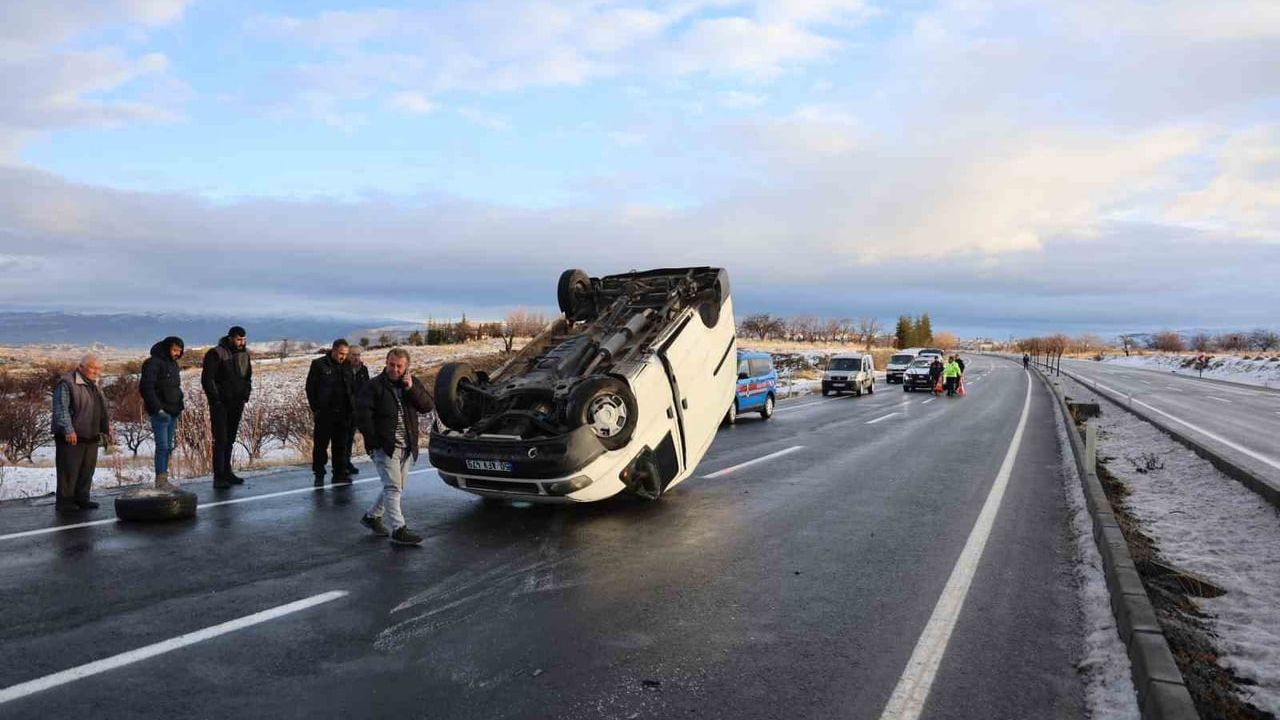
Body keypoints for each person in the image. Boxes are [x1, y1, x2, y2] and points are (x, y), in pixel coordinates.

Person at [356, 348, 434, 546]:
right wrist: (375, 444)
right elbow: (363, 417)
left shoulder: (411, 383)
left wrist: (411, 389)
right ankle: (399, 529)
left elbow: (426, 406)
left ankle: (372, 517)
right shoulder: (373, 386)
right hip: (385, 447)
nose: (395, 369)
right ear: (386, 362)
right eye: (391, 364)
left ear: (406, 366)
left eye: (399, 366)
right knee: (393, 487)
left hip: (406, 446)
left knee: (396, 487)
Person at [51, 354, 113, 512]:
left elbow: (101, 409)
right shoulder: (67, 382)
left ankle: (82, 498)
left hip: (91, 435)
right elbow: (61, 409)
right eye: (93, 367)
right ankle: (65, 502)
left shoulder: (94, 384)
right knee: (69, 471)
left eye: (98, 368)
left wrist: (106, 428)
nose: (96, 371)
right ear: (81, 367)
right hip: (72, 435)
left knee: (87, 470)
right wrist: (68, 429)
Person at [202, 326, 252, 489]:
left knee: (230, 439)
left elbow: (248, 377)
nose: (241, 342)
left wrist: (245, 395)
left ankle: (227, 472)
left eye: (244, 339)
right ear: (230, 338)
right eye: (239, 339)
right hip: (221, 404)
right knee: (221, 440)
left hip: (237, 403)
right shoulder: (216, 353)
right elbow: (207, 379)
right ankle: (219, 476)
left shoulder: (244, 354)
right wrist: (215, 399)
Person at [307, 339, 356, 486]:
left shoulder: (347, 366)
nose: (343, 357)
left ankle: (339, 473)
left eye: (345, 354)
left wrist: (353, 408)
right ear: (333, 350)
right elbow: (310, 388)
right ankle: (319, 472)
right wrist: (316, 408)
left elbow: (352, 388)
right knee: (321, 446)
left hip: (343, 413)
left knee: (341, 445)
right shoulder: (319, 365)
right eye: (341, 353)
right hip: (325, 413)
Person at [140, 336, 185, 489]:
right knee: (163, 446)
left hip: (173, 411)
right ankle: (160, 480)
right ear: (167, 348)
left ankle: (164, 478)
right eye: (174, 350)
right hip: (161, 413)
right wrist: (157, 409)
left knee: (169, 446)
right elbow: (147, 387)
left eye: (179, 351)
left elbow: (175, 388)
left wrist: (179, 407)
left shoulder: (173, 364)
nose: (177, 353)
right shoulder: (152, 363)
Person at [344, 345, 371, 477]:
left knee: (350, 438)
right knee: (343, 438)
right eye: (353, 355)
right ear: (348, 355)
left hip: (357, 409)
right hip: (344, 409)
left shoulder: (363, 370)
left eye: (358, 355)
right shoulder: (343, 369)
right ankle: (341, 465)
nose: (356, 357)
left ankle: (347, 462)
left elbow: (367, 387)